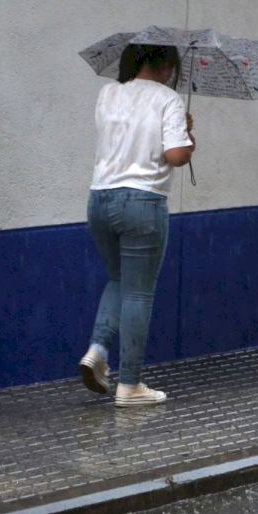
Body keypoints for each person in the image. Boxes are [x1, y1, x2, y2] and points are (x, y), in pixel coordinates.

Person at [78, 44, 195, 406]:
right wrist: (187, 137)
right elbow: (176, 155)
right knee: (139, 293)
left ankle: (97, 350)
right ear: (166, 65)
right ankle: (129, 385)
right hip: (143, 201)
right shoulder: (168, 99)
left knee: (118, 279)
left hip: (100, 198)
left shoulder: (109, 93)